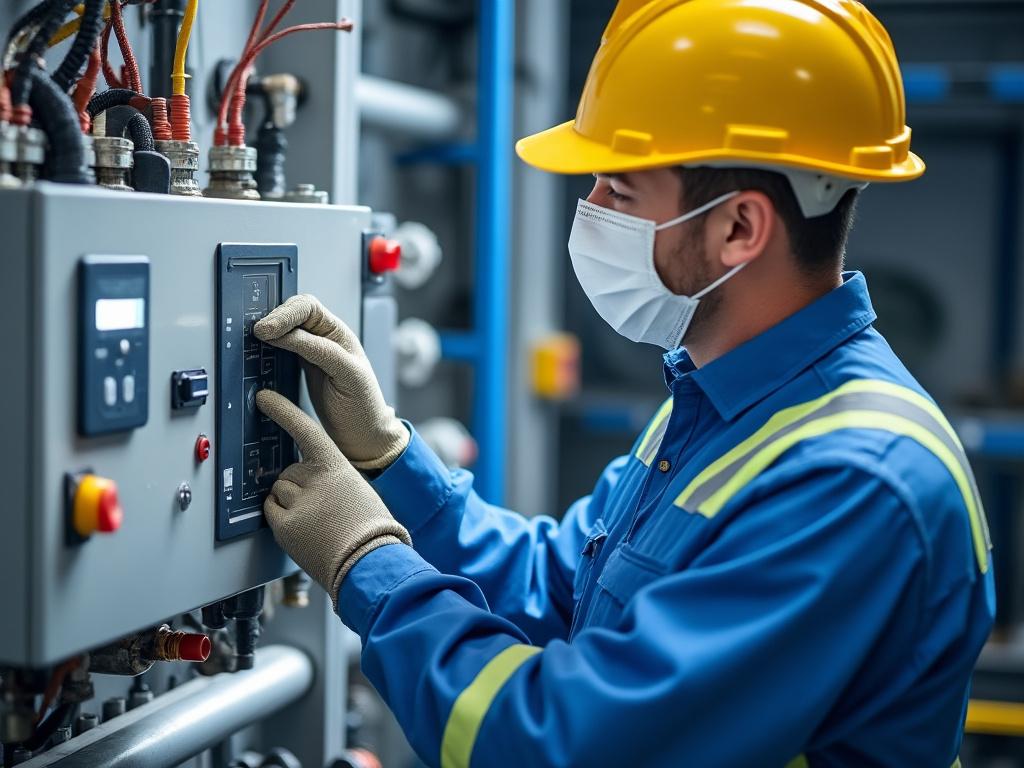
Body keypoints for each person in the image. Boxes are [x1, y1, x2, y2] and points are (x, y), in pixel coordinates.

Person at [253, 1, 996, 765]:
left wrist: (367, 561)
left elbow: (563, 744)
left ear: (740, 227)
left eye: (620, 189)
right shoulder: (724, 404)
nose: (591, 212)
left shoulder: (853, 483)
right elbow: (557, 588)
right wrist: (387, 461)